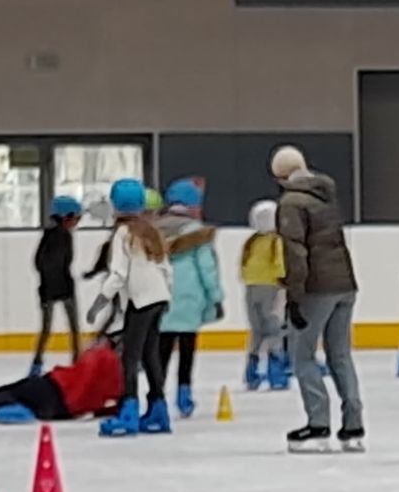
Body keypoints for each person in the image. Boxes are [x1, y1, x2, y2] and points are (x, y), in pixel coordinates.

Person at [274, 145, 364, 453]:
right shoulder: (326, 196)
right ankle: (353, 424)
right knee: (341, 355)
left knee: (303, 355)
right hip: (345, 284)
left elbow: (296, 251)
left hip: (317, 288)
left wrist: (294, 295)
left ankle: (318, 423)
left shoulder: (291, 202)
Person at [88, 178, 173, 437]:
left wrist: (99, 302)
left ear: (115, 205)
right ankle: (159, 408)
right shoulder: (150, 231)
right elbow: (166, 269)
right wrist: (166, 295)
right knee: (150, 354)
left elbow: (118, 274)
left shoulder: (123, 234)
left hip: (141, 300)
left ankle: (129, 411)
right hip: (158, 298)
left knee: (130, 357)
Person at [152, 181, 223, 420]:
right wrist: (216, 297)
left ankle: (157, 395)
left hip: (160, 297)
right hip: (190, 299)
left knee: (161, 350)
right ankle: (184, 393)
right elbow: (207, 268)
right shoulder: (196, 232)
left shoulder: (154, 230)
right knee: (186, 349)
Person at [0, 333, 124, 424]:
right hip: (62, 412)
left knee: (1, 392)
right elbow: (110, 406)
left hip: (54, 388)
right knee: (25, 398)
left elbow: (82, 375)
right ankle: (21, 408)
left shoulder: (100, 355)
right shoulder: (120, 378)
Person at [240, 198, 289, 392]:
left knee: (257, 330)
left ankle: (251, 371)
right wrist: (286, 281)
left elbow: (245, 267)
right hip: (272, 288)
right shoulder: (276, 242)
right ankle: (276, 373)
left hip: (252, 288)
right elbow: (280, 265)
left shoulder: (251, 242)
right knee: (275, 328)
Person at [31, 194, 82, 373]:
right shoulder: (62, 236)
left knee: (47, 329)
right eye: (76, 218)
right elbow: (51, 264)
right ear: (65, 217)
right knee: (74, 328)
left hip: (48, 289)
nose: (77, 222)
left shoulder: (49, 235)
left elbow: (38, 263)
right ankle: (78, 363)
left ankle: (37, 364)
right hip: (61, 288)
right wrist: (58, 287)